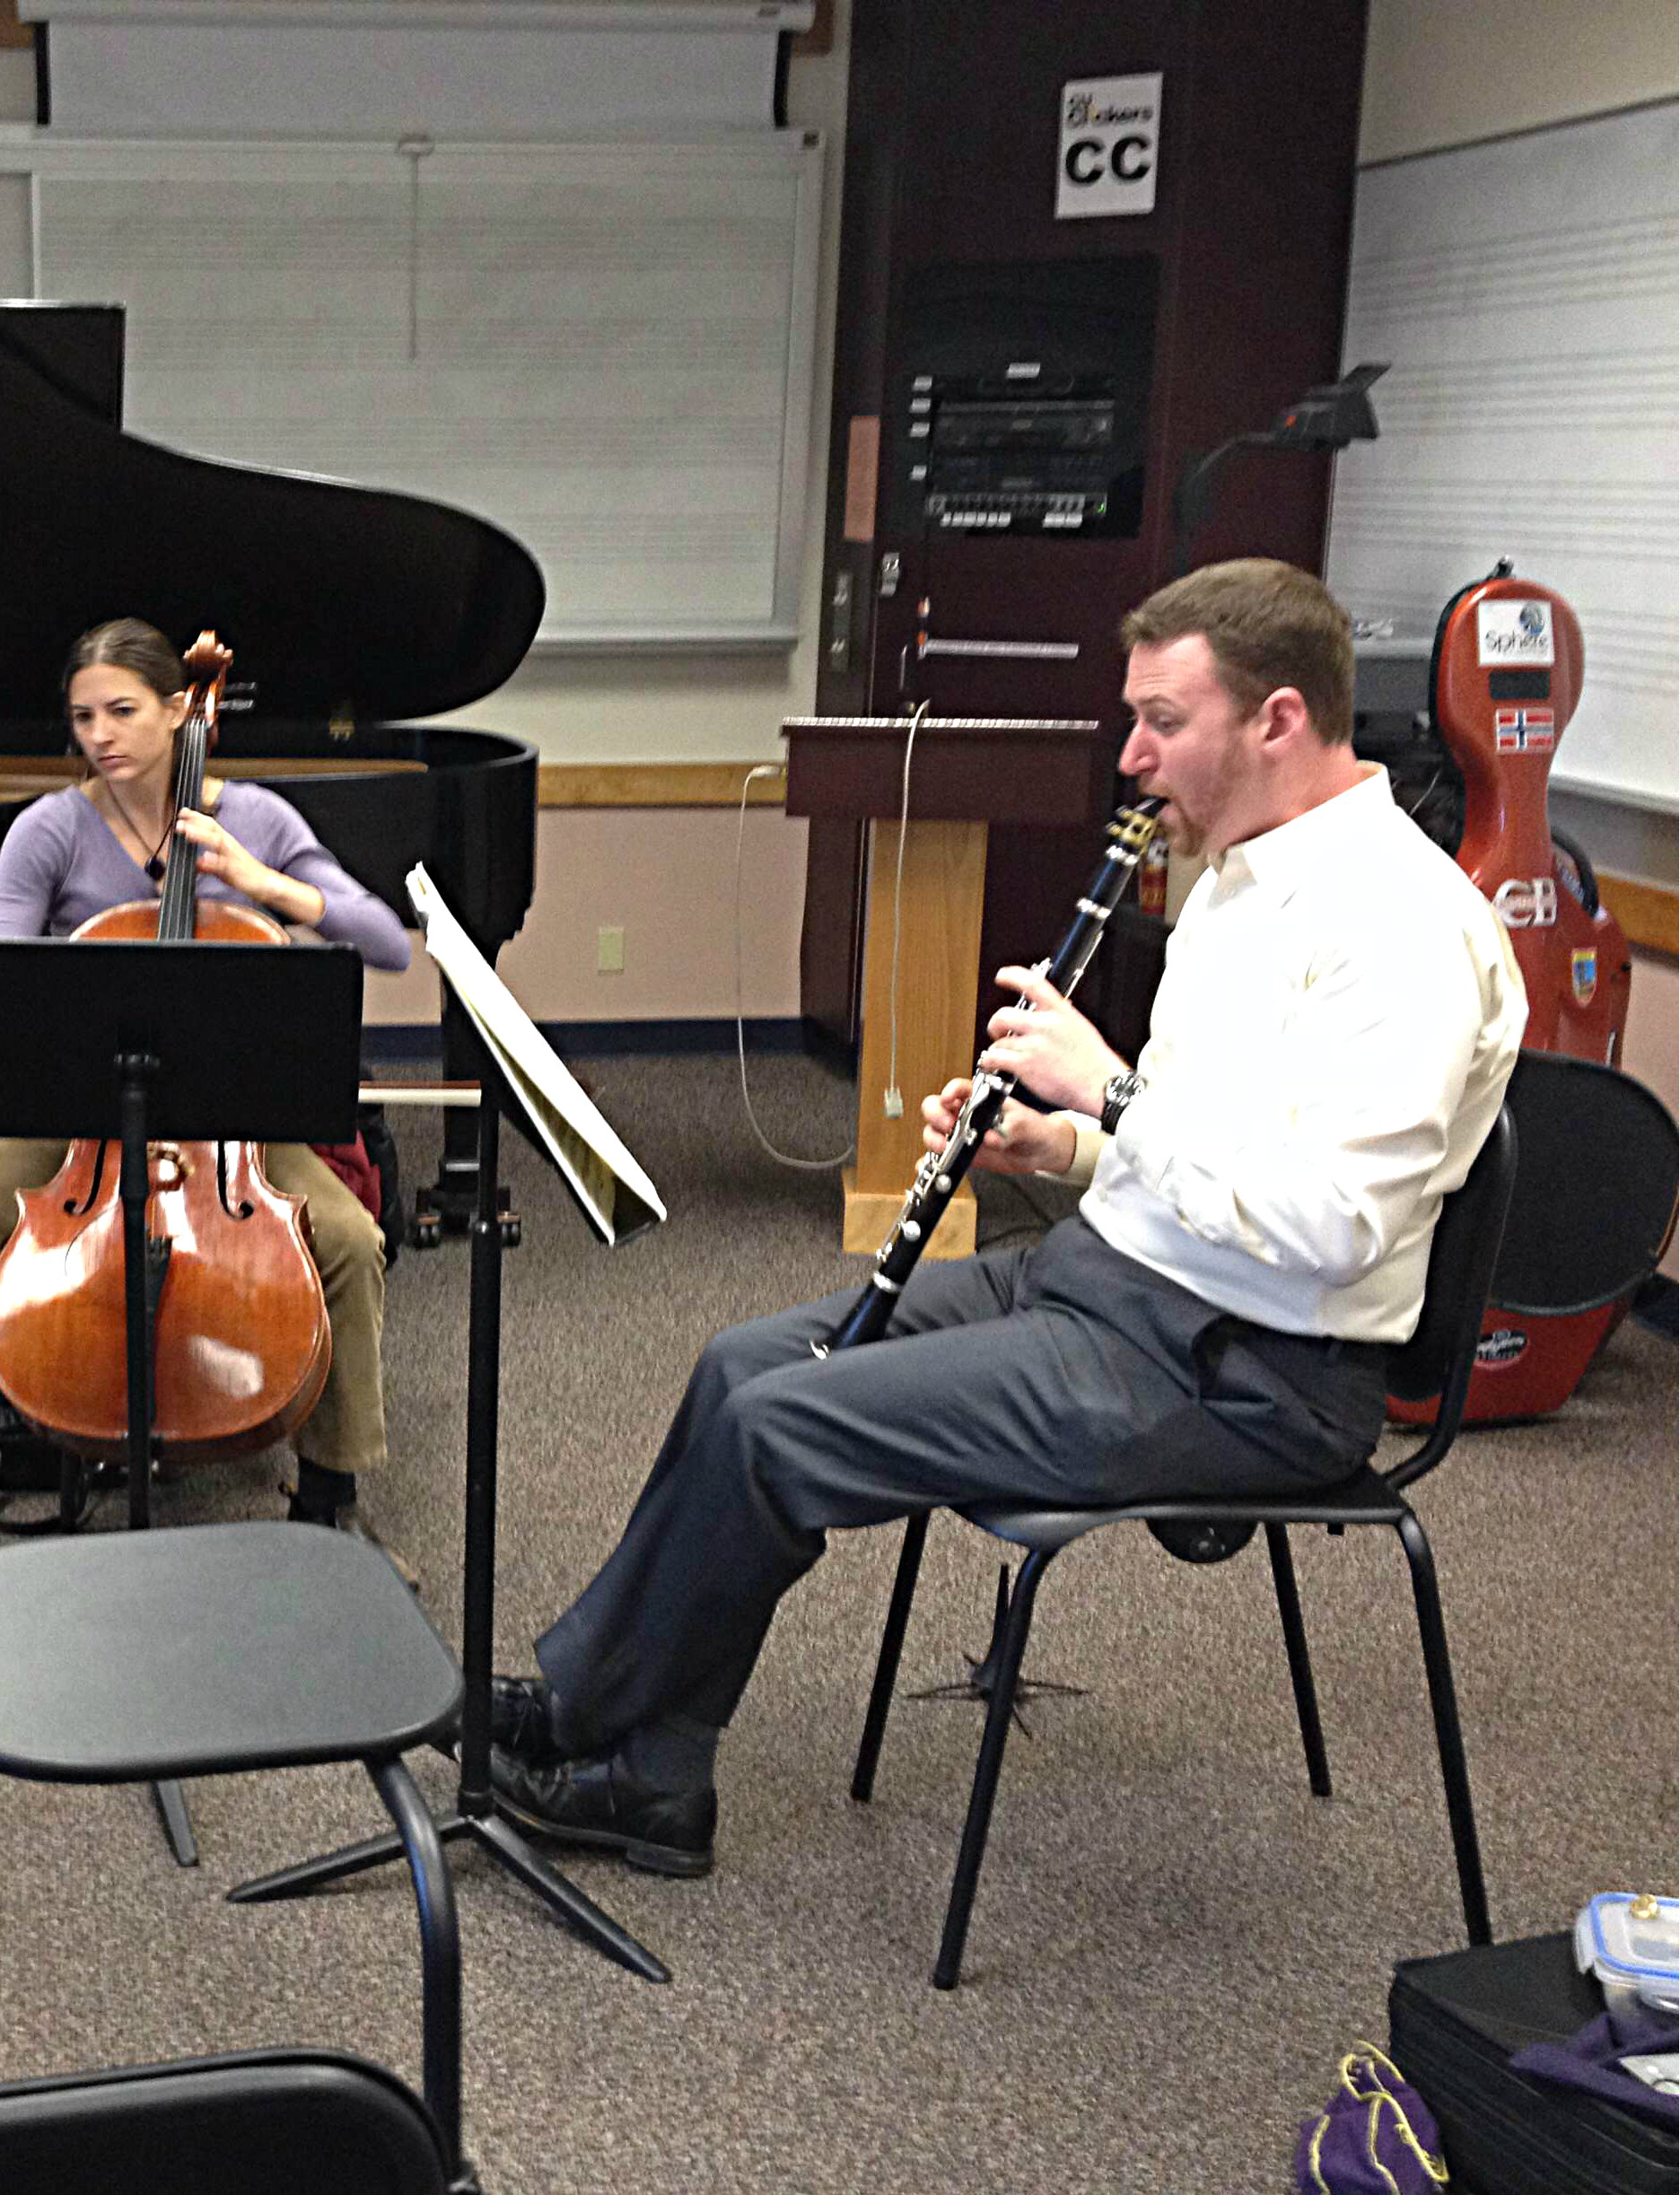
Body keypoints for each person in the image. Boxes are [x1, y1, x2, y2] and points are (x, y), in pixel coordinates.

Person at [482, 559, 1527, 1878]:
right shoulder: (1237, 875)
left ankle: (644, 1777)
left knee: (775, 1424)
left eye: (1162, 721)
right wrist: (1069, 1145)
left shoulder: (1402, 928)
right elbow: (1207, 1141)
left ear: (1276, 721)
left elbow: (1333, 1225)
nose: (1134, 757)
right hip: (1108, 1279)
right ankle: (597, 1711)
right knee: (740, 1361)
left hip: (1253, 1368)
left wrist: (1114, 1093)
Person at [0, 617, 418, 1642]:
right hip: (78, 1120)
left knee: (347, 1239)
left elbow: (386, 944)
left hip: (237, 1122)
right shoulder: (51, 831)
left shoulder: (258, 819)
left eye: (122, 711)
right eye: (82, 717)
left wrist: (265, 885)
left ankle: (333, 1500)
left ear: (176, 711)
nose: (101, 735)